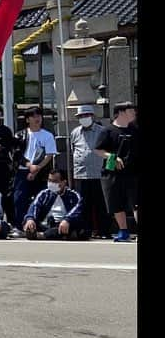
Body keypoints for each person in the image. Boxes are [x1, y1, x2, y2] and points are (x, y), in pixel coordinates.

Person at [94, 101, 138, 242]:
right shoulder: (107, 131)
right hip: (112, 172)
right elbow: (98, 150)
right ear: (121, 112)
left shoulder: (136, 130)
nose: (134, 113)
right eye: (130, 110)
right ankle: (123, 231)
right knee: (116, 202)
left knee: (136, 202)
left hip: (133, 172)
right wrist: (112, 157)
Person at [12, 107, 57, 231]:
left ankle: (37, 223)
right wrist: (29, 165)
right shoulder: (20, 135)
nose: (37, 119)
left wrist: (37, 168)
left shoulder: (47, 135)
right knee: (19, 198)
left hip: (41, 171)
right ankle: (20, 226)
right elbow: (17, 154)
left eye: (39, 116)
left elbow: (49, 155)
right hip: (23, 170)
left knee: (40, 198)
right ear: (27, 119)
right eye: (33, 116)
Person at [69, 105, 110, 238]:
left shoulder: (102, 131)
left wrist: (110, 170)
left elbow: (109, 151)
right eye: (81, 116)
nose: (83, 118)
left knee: (101, 204)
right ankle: (85, 231)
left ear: (92, 116)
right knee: (83, 204)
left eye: (86, 116)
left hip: (99, 174)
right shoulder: (75, 133)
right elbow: (72, 152)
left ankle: (104, 231)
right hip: (81, 174)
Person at [22, 169, 88, 241]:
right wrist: (30, 219)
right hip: (46, 224)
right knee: (29, 222)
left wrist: (67, 220)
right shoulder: (44, 194)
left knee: (80, 229)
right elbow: (34, 206)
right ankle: (56, 235)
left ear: (64, 182)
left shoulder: (73, 195)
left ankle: (42, 235)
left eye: (55, 181)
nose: (51, 183)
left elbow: (77, 209)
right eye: (49, 180)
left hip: (64, 224)